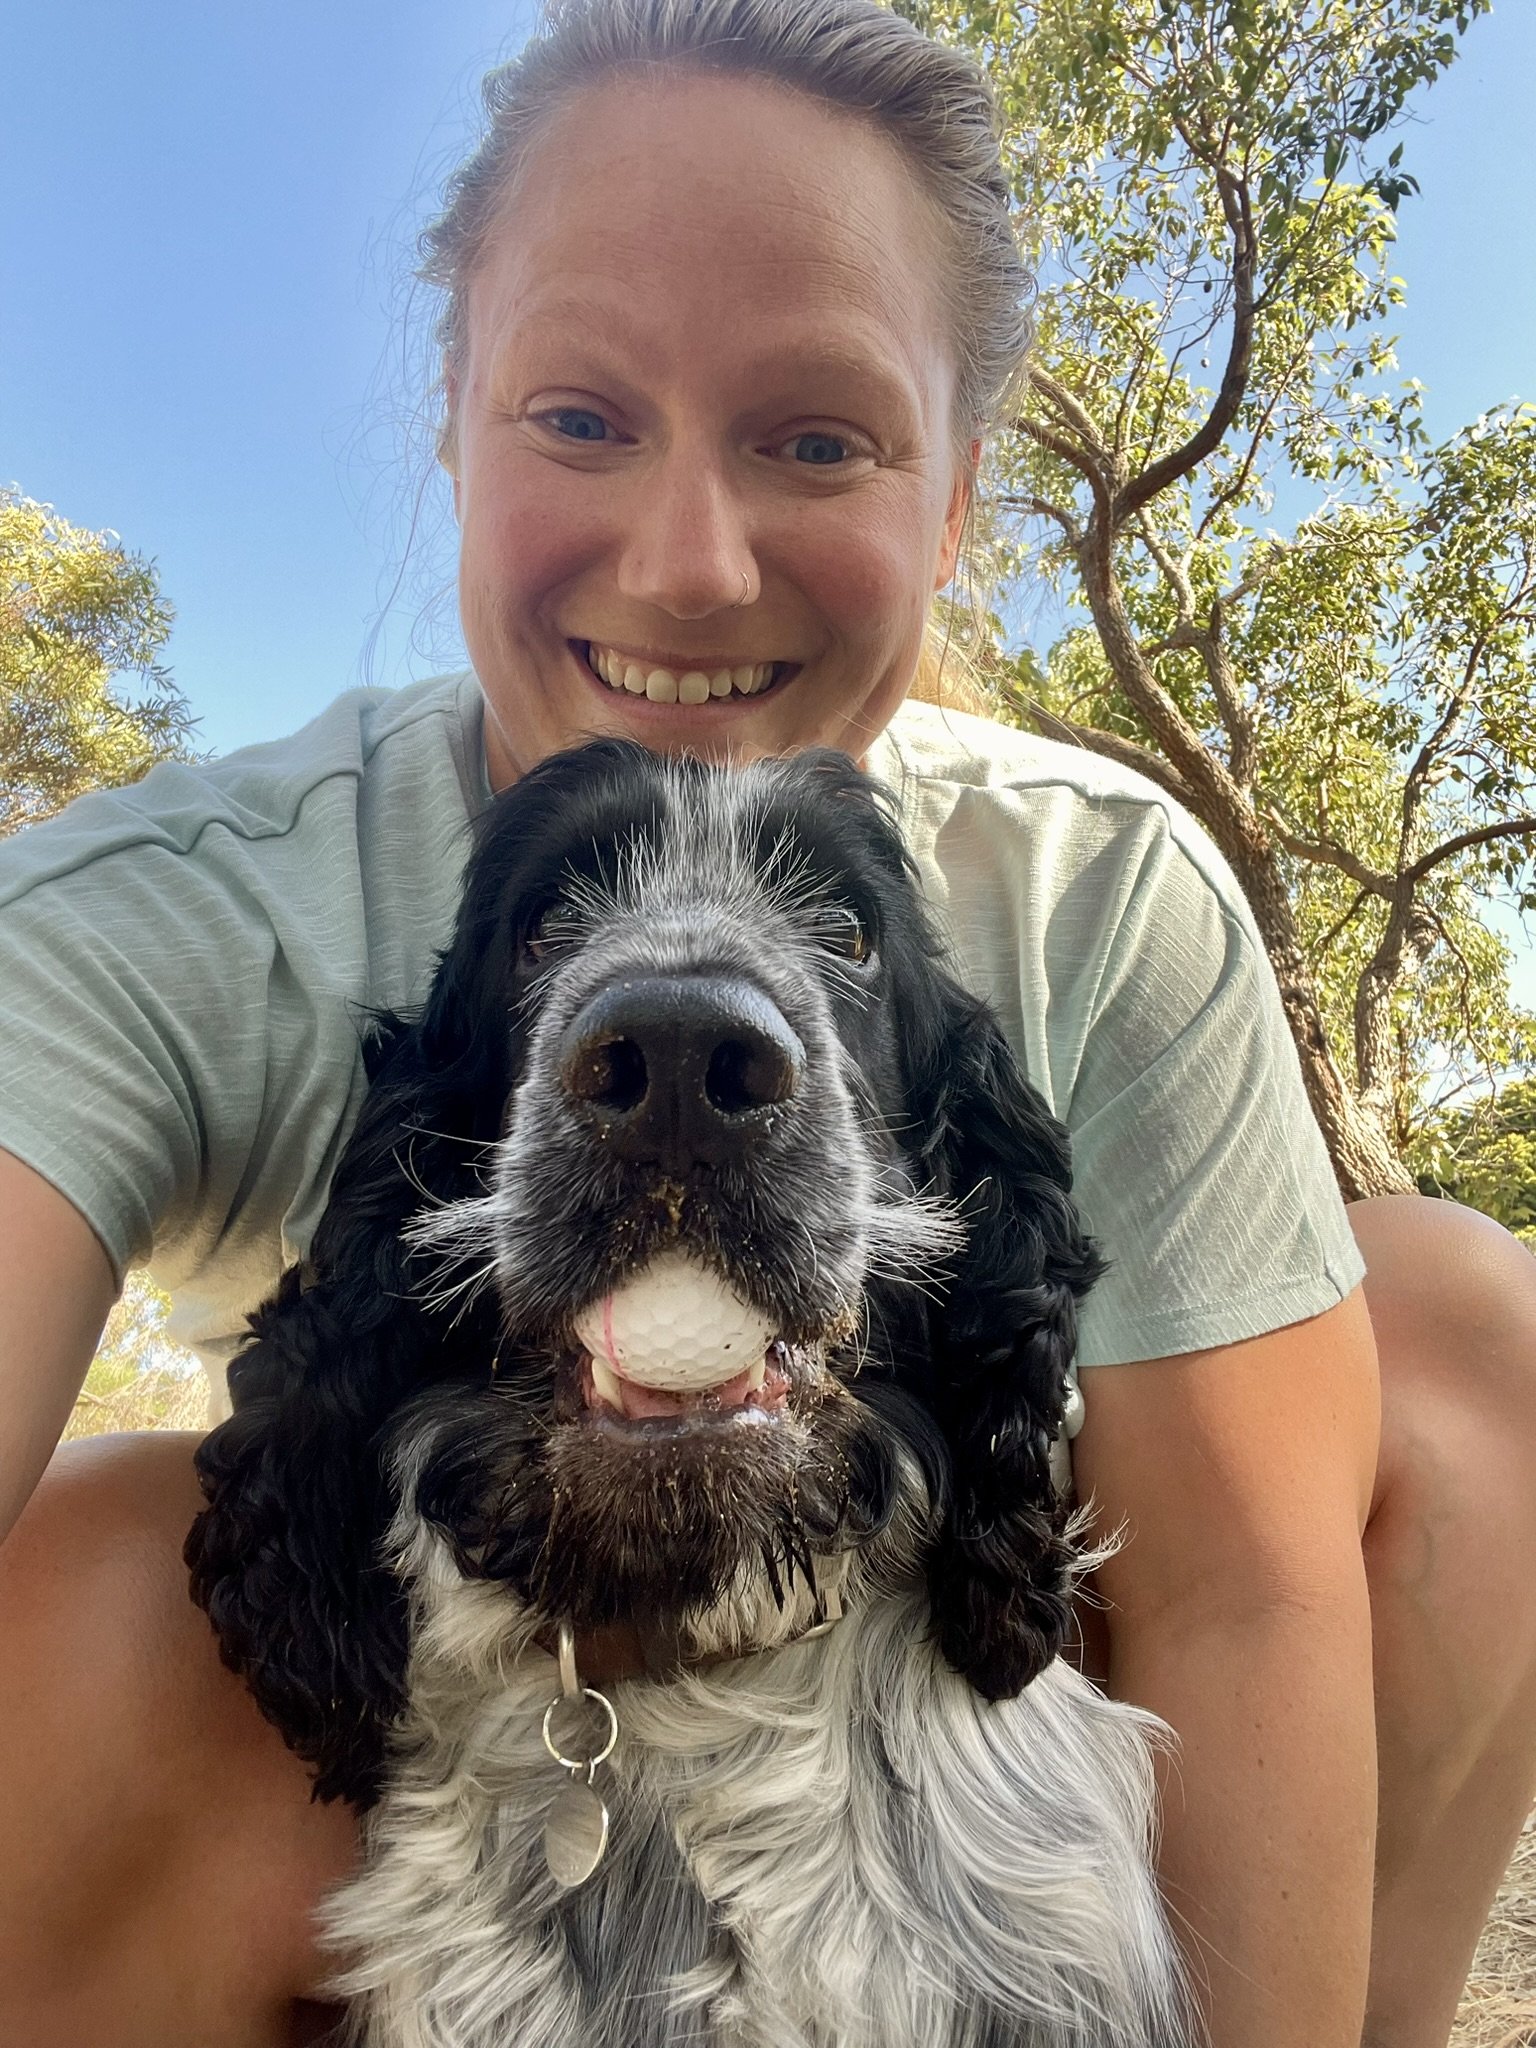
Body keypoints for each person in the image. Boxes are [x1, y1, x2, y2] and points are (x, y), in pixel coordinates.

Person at [2, 1, 1534, 2043]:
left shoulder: (1092, 880)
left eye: (816, 436)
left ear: (959, 488)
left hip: (935, 1713)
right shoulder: (168, 913)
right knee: (113, 1571)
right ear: (454, 418)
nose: (691, 563)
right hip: (411, 1761)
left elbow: (1251, 1591)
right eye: (578, 415)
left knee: (1453, 1334)